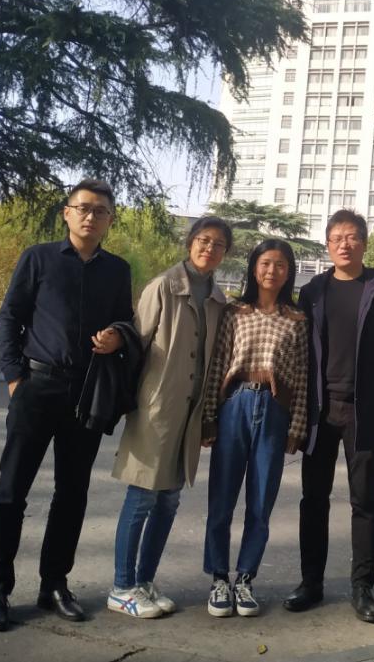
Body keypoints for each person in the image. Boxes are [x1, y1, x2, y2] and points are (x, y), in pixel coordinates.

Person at [0, 179, 133, 632]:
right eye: (83, 208)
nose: (90, 216)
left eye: (100, 211)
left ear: (109, 220)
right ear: (67, 213)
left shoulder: (117, 270)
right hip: (37, 386)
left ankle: (53, 585)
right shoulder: (39, 258)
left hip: (86, 394)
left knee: (71, 494)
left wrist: (118, 336)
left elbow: (125, 320)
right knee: (11, 492)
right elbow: (10, 317)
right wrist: (14, 377)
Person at [283, 209, 374, 624]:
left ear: (364, 243)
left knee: (365, 501)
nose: (344, 244)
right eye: (337, 237)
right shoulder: (313, 291)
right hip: (320, 411)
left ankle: (362, 588)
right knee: (313, 499)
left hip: (364, 411)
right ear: (327, 244)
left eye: (352, 236)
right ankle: (311, 583)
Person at [106, 216, 232, 619]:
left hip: (190, 414)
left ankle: (144, 581)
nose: (209, 249)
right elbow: (135, 344)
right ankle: (121, 587)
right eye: (203, 240)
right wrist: (132, 402)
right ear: (190, 242)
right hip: (156, 408)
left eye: (218, 244)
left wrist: (209, 416)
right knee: (142, 495)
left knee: (169, 500)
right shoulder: (163, 286)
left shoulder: (219, 300)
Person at [200, 239, 309, 618]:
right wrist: (209, 416)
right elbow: (218, 365)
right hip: (235, 406)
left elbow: (301, 377)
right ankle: (219, 578)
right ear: (253, 267)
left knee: (261, 502)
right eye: (265, 263)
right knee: (221, 500)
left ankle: (245, 578)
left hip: (274, 411)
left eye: (280, 265)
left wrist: (296, 426)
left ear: (289, 272)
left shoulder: (297, 319)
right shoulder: (235, 312)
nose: (271, 271)